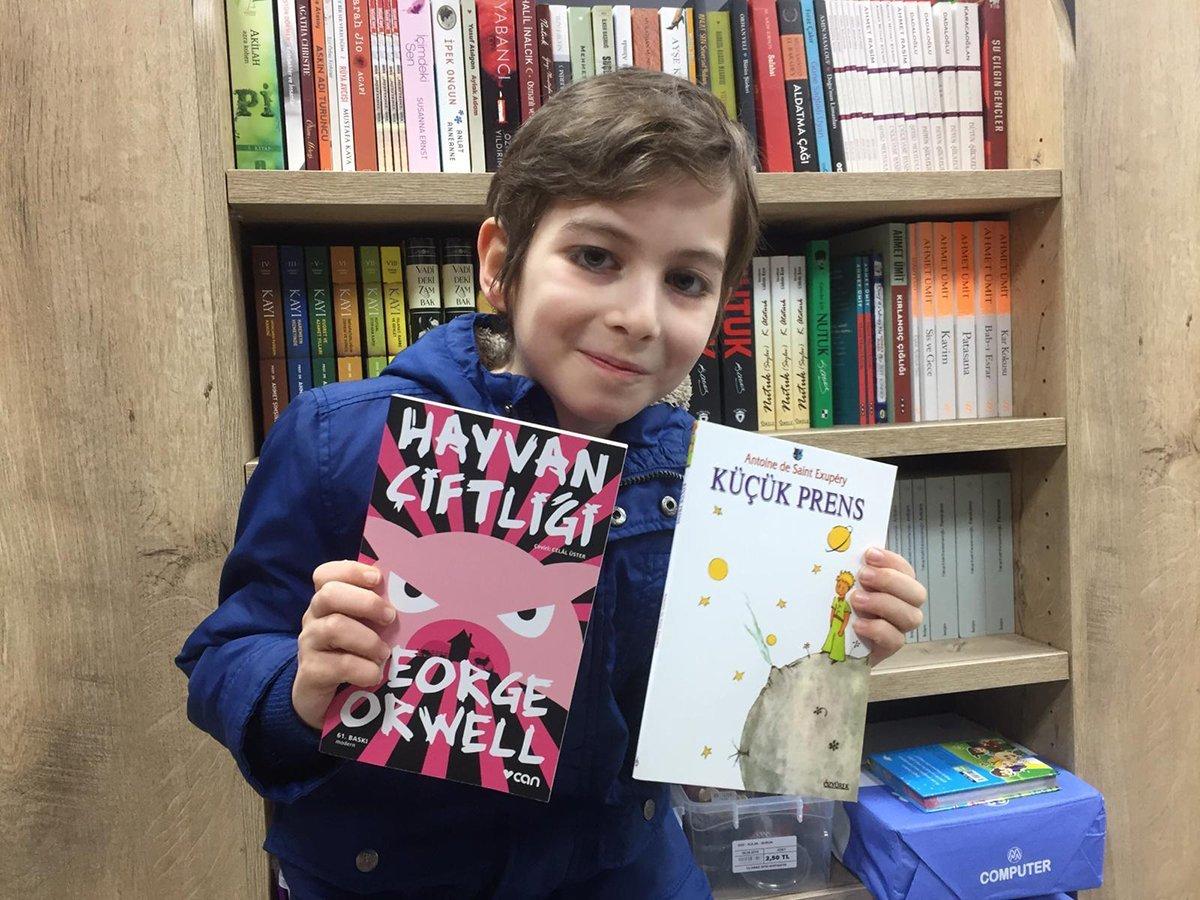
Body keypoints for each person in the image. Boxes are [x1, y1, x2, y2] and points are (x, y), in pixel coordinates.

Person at [176, 68, 927, 899]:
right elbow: (225, 654)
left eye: (686, 280)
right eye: (596, 257)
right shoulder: (339, 441)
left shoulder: (709, 483)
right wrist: (300, 686)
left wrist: (830, 643)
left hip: (624, 875)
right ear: (501, 264)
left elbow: (718, 712)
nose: (639, 316)